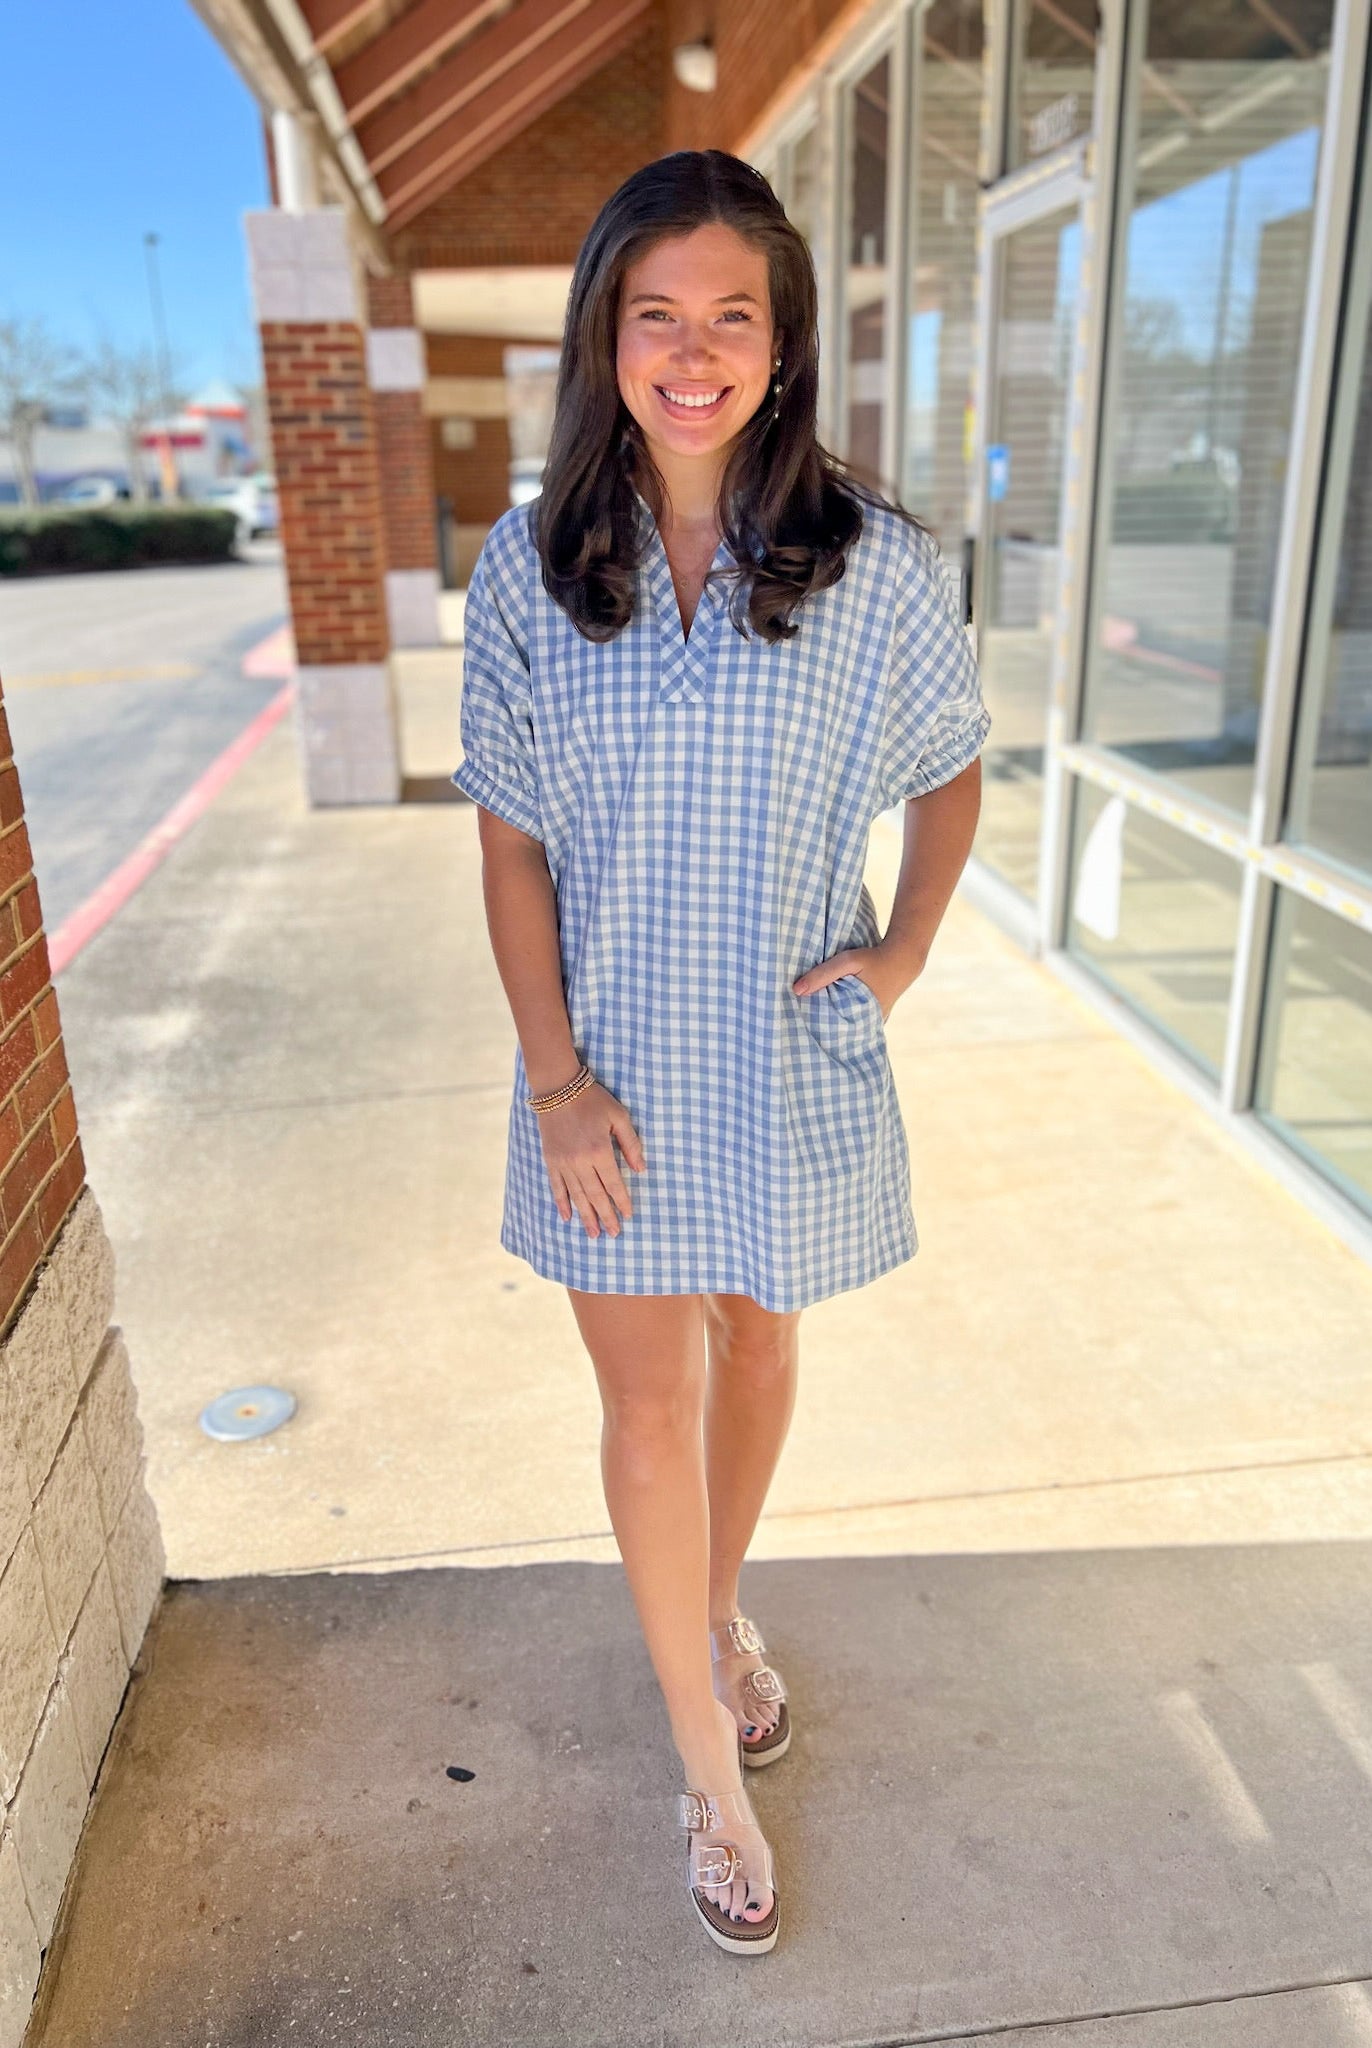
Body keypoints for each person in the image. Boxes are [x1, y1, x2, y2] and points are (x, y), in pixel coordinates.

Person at [452, 149, 990, 1958]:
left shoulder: (873, 563)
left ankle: (718, 1610)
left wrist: (903, 949)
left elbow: (953, 763)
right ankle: (706, 1763)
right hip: (601, 1076)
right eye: (655, 314)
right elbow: (509, 841)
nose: (693, 352)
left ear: (782, 341)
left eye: (731, 317)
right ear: (607, 332)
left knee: (758, 1343)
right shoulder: (530, 575)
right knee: (647, 1405)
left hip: (782, 1056)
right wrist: (553, 1082)